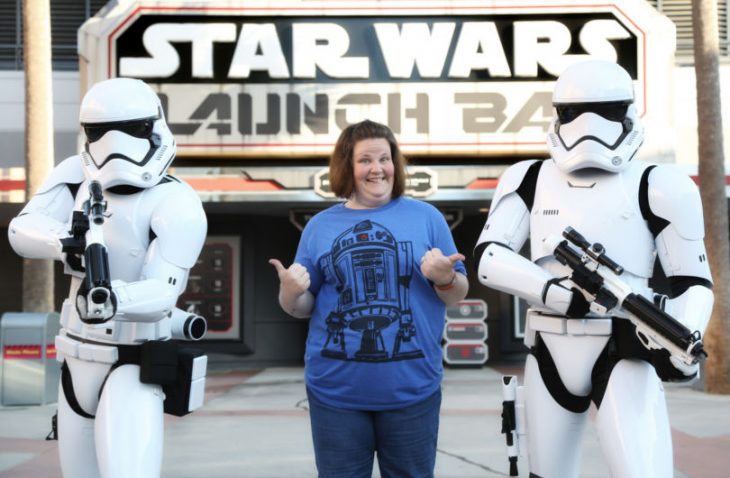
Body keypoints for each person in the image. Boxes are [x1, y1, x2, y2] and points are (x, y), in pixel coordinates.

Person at [474, 59, 714, 478]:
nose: (589, 125)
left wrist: (683, 335)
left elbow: (694, 283)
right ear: (558, 113)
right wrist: (551, 291)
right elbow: (489, 258)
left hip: (625, 342)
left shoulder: (660, 184)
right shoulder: (528, 177)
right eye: (574, 111)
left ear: (626, 111)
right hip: (549, 345)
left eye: (605, 111)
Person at [8, 77, 208, 478]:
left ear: (152, 127)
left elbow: (164, 292)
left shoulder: (177, 202)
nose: (115, 144)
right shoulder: (76, 177)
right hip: (74, 357)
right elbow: (21, 229)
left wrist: (114, 299)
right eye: (100, 131)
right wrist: (67, 242)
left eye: (132, 129)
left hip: (130, 363)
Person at [269, 119, 468, 478]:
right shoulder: (319, 227)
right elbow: (302, 307)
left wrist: (446, 278)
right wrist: (289, 292)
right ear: (348, 166)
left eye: (385, 158)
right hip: (336, 394)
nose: (377, 169)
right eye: (365, 160)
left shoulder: (427, 218)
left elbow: (456, 294)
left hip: (413, 390)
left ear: (396, 163)